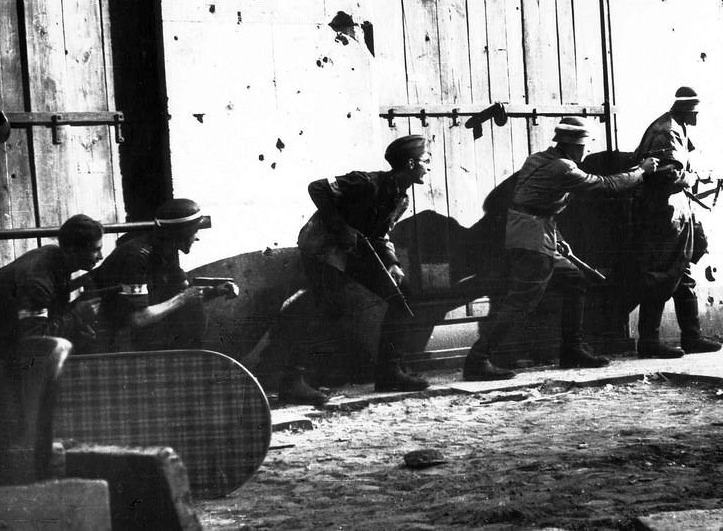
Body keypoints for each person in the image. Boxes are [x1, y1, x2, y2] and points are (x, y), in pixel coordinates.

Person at [462, 116, 660, 381]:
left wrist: (557, 236)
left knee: (574, 281)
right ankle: (478, 360)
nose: (586, 151)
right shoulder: (563, 168)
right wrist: (641, 171)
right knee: (520, 301)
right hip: (532, 241)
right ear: (574, 146)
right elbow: (605, 185)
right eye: (584, 146)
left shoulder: (538, 159)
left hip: (536, 233)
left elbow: (537, 203)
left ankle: (572, 349)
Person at [275, 134, 432, 405]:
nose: (428, 166)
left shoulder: (400, 199)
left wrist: (392, 263)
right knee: (324, 307)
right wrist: (341, 228)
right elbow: (317, 188)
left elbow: (381, 235)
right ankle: (292, 382)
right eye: (425, 160)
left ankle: (389, 372)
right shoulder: (366, 182)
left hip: (354, 253)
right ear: (410, 163)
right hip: (322, 248)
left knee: (402, 295)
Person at [0, 214, 104, 467]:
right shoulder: (38, 278)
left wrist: (76, 321)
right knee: (6, 423)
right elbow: (34, 340)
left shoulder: (57, 261)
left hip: (4, 344)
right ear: (73, 249)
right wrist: (77, 315)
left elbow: (48, 317)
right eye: (96, 250)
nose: (100, 257)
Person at [626, 86, 721, 358]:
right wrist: (694, 177)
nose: (697, 117)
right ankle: (648, 342)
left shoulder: (676, 126)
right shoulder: (667, 131)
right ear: (687, 111)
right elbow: (666, 176)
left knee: (683, 272)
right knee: (660, 275)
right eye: (696, 113)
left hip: (673, 212)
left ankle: (692, 337)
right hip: (660, 215)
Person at [89, 198, 229, 352]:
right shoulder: (137, 257)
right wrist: (183, 298)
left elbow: (180, 294)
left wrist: (216, 291)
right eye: (195, 231)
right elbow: (138, 318)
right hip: (107, 336)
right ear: (181, 234)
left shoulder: (164, 251)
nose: (197, 237)